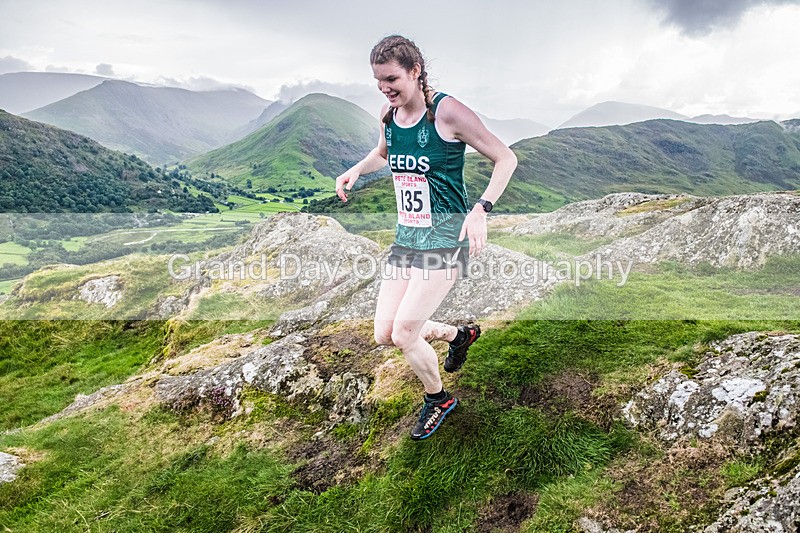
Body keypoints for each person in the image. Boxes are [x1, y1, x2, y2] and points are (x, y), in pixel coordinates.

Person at [335, 35, 517, 440]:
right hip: (408, 238)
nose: (385, 88)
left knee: (403, 334)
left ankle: (439, 399)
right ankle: (459, 335)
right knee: (384, 333)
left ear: (415, 71)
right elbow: (383, 154)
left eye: (392, 79)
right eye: (378, 81)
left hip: (446, 239)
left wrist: (481, 209)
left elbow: (506, 157)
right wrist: (355, 170)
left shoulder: (447, 113)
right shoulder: (389, 113)